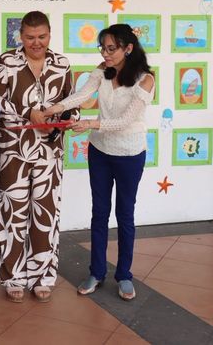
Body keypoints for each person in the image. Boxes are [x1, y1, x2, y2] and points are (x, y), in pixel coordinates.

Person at [44, 24, 155, 301]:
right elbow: (82, 95)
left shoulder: (145, 80)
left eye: (111, 48)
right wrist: (53, 109)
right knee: (99, 212)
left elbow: (125, 121)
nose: (105, 54)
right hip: (100, 151)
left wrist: (90, 124)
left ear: (128, 48)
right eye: (102, 48)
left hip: (130, 154)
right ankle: (96, 272)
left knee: (125, 215)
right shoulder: (103, 70)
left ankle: (124, 275)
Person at [0, 11, 78, 303]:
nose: (36, 42)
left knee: (46, 214)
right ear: (21, 36)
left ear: (49, 34)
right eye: (30, 37)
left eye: (41, 37)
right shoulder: (7, 61)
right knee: (12, 214)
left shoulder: (62, 64)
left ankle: (43, 276)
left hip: (50, 151)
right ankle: (12, 277)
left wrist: (62, 121)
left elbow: (72, 103)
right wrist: (30, 114)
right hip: (13, 151)